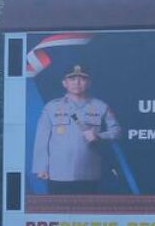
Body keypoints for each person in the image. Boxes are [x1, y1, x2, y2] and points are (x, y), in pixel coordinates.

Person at [31, 64, 122, 194]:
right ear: (64, 83)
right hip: (58, 173)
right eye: (72, 79)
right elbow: (41, 140)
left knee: (88, 207)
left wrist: (99, 136)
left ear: (89, 83)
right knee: (58, 207)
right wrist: (41, 167)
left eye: (82, 79)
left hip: (89, 172)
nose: (77, 83)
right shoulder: (51, 107)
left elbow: (117, 131)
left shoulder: (100, 106)